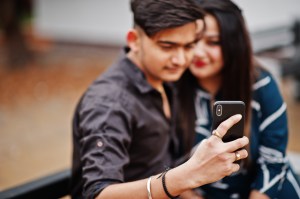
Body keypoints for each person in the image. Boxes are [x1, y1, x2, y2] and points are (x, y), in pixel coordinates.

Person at [70, 0, 249, 198]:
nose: (180, 60)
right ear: (134, 40)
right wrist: (187, 176)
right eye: (167, 46)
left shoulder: (166, 79)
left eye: (189, 46)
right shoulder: (109, 102)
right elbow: (98, 195)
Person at [177, 0, 300, 198]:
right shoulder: (173, 85)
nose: (198, 52)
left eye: (213, 42)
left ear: (233, 43)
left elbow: (273, 161)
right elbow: (164, 164)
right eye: (193, 40)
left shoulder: (262, 86)